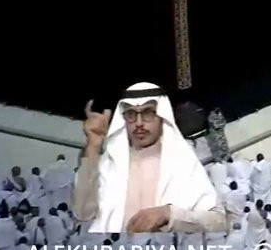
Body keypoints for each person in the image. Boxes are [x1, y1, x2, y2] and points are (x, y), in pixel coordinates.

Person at [73, 82, 225, 233]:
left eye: (148, 113)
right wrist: (94, 144)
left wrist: (168, 215)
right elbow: (82, 214)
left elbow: (218, 222)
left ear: (162, 116)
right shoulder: (111, 164)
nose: (139, 123)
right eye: (131, 114)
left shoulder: (183, 163)